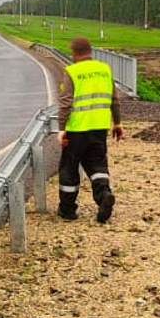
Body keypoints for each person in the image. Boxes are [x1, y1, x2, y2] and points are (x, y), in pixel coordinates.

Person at [56, 36, 124, 223]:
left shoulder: (72, 71)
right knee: (97, 165)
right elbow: (114, 100)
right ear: (90, 51)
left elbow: (65, 103)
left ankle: (67, 210)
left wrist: (61, 129)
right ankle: (103, 196)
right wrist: (117, 124)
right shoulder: (104, 70)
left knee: (69, 169)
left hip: (77, 129)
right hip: (99, 128)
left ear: (74, 53)